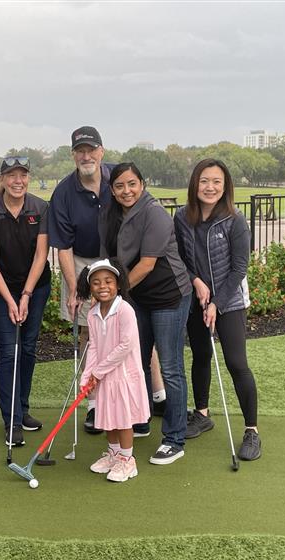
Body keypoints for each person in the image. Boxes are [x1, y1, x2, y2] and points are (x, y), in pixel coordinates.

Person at [99, 162, 192, 466]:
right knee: (134, 364)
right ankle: (139, 420)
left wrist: (113, 294)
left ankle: (174, 439)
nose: (126, 191)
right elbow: (109, 259)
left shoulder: (154, 213)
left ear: (142, 183)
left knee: (170, 367)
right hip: (136, 298)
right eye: (119, 186)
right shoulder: (112, 214)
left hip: (168, 297)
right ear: (112, 190)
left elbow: (147, 264)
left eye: (132, 184)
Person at [174, 158, 261, 461]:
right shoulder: (182, 217)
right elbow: (180, 257)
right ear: (195, 184)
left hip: (230, 301)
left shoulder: (235, 220)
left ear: (225, 187)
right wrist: (196, 281)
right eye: (204, 181)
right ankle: (202, 414)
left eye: (216, 182)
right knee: (200, 356)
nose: (210, 188)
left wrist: (217, 303)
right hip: (197, 298)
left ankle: (251, 431)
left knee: (237, 363)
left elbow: (239, 268)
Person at [0, 156, 50, 447]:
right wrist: (11, 299)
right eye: (11, 175)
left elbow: (41, 255)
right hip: (0, 290)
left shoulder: (41, 208)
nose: (17, 180)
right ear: (2, 179)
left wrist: (27, 295)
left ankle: (23, 408)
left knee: (29, 348)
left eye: (22, 175)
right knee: (9, 351)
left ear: (28, 178)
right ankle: (12, 420)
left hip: (36, 286)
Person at [47, 126, 113, 434]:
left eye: (91, 150)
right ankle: (93, 402)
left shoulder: (118, 179)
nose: (86, 156)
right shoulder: (63, 191)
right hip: (81, 263)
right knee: (90, 334)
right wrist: (75, 289)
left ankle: (153, 395)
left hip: (117, 261)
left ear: (101, 151)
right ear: (74, 155)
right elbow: (63, 246)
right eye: (79, 151)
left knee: (129, 327)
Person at [77, 258, 150, 483]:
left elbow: (125, 346)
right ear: (90, 287)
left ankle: (128, 461)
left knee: (123, 419)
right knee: (107, 416)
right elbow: (95, 346)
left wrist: (98, 372)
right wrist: (87, 375)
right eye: (97, 282)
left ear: (118, 284)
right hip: (104, 376)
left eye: (108, 281)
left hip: (124, 376)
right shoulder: (93, 313)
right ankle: (114, 454)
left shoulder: (125, 310)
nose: (103, 286)